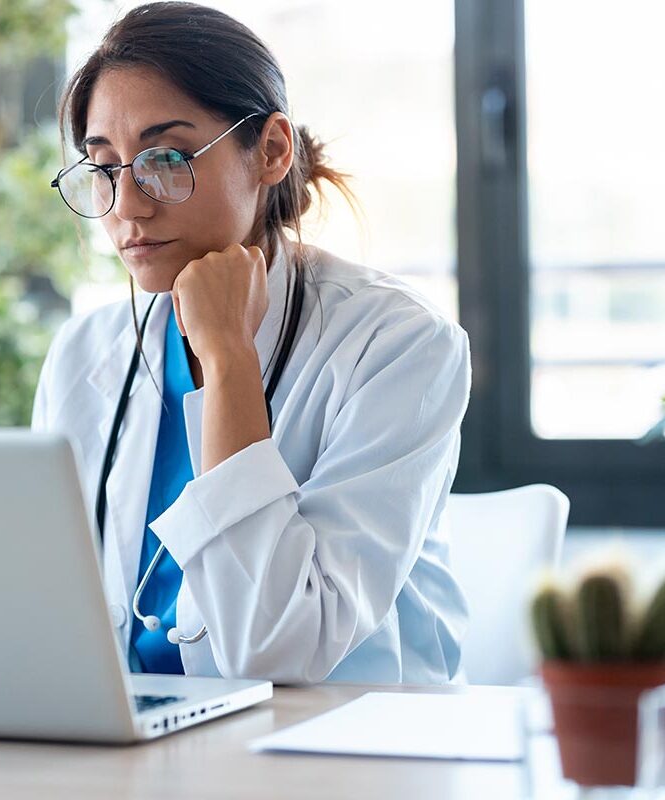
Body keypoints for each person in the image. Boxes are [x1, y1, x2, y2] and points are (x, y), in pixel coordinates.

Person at [32, 1, 471, 684]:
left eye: (165, 159)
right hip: (144, 746)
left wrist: (228, 360)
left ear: (270, 150)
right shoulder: (86, 353)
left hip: (341, 750)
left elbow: (276, 651)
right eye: (106, 167)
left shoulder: (400, 346)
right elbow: (49, 613)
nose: (127, 208)